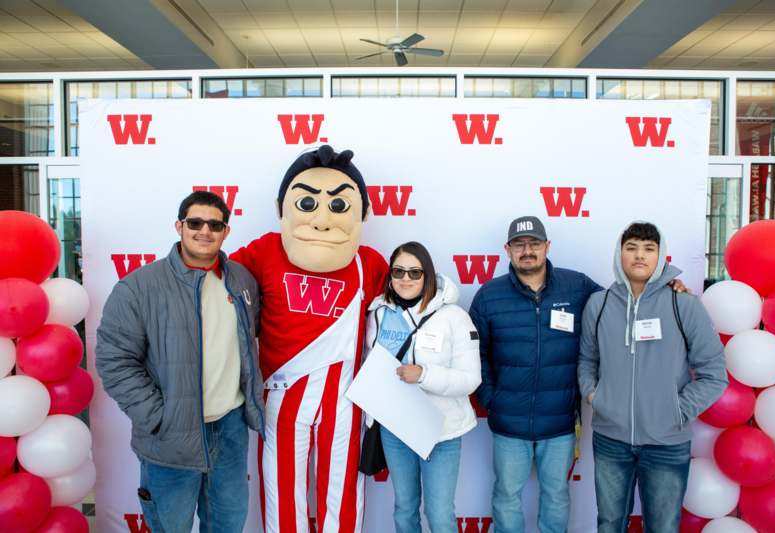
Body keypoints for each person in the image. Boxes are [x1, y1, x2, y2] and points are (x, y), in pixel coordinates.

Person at [230, 145, 388, 533]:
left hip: (346, 396)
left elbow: (412, 307)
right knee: (282, 487)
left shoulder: (369, 262)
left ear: (362, 212)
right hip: (282, 391)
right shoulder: (265, 250)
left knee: (343, 489)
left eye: (337, 207)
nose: (320, 220)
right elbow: (219, 287)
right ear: (283, 206)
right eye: (306, 204)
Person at [95, 191, 265, 533]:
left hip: (230, 429)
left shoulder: (241, 280)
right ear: (179, 226)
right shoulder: (139, 287)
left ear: (226, 231)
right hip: (170, 436)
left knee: (228, 525)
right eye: (195, 222)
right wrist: (159, 416)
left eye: (215, 224)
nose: (205, 230)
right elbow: (114, 360)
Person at [578, 221, 727, 533]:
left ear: (661, 256)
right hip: (611, 439)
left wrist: (678, 410)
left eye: (649, 249)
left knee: (662, 527)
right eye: (631, 248)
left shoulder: (682, 303)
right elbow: (587, 359)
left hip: (667, 443)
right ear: (619, 254)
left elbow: (714, 374)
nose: (639, 256)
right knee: (609, 524)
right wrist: (595, 395)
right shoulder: (599, 303)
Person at [468, 215, 603, 533]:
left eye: (534, 243)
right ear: (508, 249)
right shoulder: (489, 296)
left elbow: (620, 304)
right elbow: (475, 354)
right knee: (506, 496)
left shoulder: (578, 286)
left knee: (556, 496)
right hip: (508, 423)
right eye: (519, 244)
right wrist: (492, 398)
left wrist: (664, 285)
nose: (527, 250)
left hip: (559, 424)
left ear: (547, 246)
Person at [364, 241, 481, 533]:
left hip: (440, 431)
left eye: (414, 272)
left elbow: (470, 379)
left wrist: (424, 375)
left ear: (427, 275)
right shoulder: (378, 313)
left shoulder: (454, 317)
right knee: (404, 510)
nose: (405, 279)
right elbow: (369, 364)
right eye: (399, 271)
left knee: (440, 514)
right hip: (395, 428)